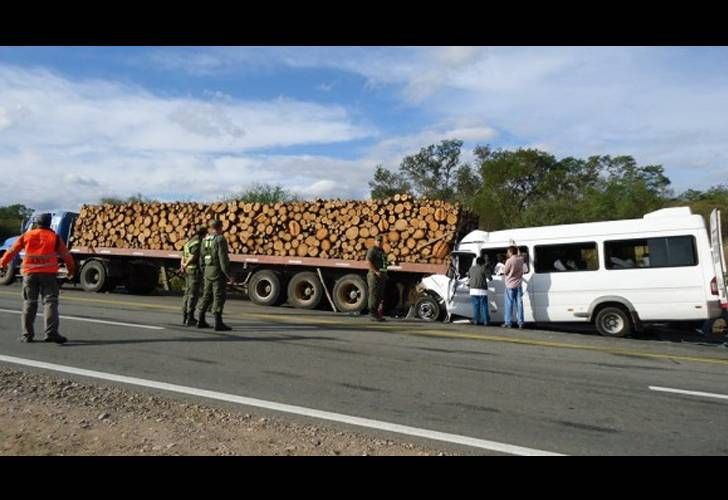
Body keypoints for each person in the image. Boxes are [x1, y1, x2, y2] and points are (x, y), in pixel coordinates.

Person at [0, 213, 76, 343]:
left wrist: (2, 263)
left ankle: (27, 335)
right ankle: (51, 334)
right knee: (50, 302)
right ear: (49, 223)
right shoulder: (55, 237)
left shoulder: (27, 235)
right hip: (49, 275)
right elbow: (66, 256)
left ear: (37, 223)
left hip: (30, 274)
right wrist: (71, 270)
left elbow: (12, 250)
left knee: (29, 302)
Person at [196, 220, 232, 331]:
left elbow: (201, 258)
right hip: (217, 272)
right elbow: (223, 259)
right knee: (218, 296)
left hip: (207, 271)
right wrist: (228, 274)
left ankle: (200, 320)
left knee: (206, 295)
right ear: (220, 227)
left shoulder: (205, 240)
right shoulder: (220, 239)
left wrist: (204, 270)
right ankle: (218, 323)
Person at [181, 224, 207, 326]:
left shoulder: (189, 241)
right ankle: (190, 317)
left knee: (187, 294)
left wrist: (183, 265)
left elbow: (183, 255)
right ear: (203, 233)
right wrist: (186, 264)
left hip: (188, 270)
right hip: (194, 271)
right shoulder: (198, 242)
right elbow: (192, 256)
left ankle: (184, 316)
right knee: (193, 295)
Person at [366, 234, 388, 322]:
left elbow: (384, 263)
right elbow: (368, 261)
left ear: (383, 242)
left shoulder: (382, 250)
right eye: (377, 241)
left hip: (381, 275)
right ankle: (372, 313)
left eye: (380, 241)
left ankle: (377, 314)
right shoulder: (372, 250)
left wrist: (385, 274)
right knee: (374, 294)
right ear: (375, 241)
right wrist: (375, 271)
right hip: (374, 276)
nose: (379, 242)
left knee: (379, 295)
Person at [502, 245, 525, 329]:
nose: (507, 253)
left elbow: (505, 271)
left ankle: (508, 322)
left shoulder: (509, 261)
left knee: (509, 304)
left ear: (511, 252)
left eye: (508, 251)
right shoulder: (521, 260)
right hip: (519, 285)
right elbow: (519, 254)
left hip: (510, 285)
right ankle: (520, 322)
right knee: (519, 304)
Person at [468, 256, 491, 326]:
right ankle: (486, 321)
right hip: (482, 290)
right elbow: (489, 277)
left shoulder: (471, 268)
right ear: (482, 263)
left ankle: (476, 320)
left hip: (473, 290)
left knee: (475, 306)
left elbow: (469, 276)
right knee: (484, 306)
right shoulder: (483, 268)